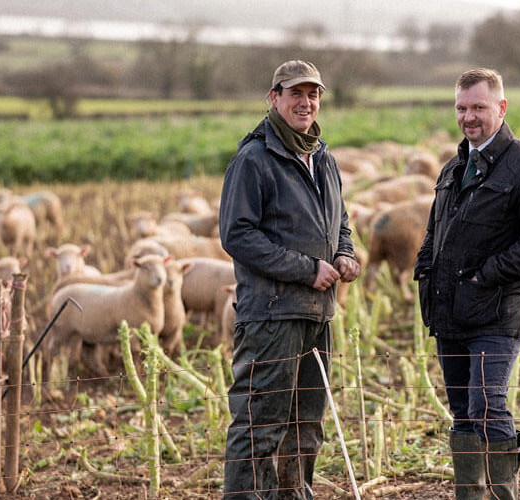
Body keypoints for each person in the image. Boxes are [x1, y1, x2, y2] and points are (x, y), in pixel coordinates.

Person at [414, 68, 520, 500]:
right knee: (462, 412)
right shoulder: (453, 167)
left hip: (496, 312)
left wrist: (487, 275)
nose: (468, 117)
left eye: (478, 107)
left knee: (487, 405)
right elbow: (434, 232)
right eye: (461, 108)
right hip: (450, 312)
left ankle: (502, 494)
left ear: (500, 108)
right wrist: (426, 269)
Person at [218, 59, 360, 499]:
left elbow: (340, 221)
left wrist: (344, 253)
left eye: (313, 93)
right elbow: (237, 234)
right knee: (260, 425)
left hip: (317, 314)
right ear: (274, 98)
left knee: (305, 428)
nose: (306, 102)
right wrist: (306, 269)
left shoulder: (323, 158)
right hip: (272, 316)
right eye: (295, 93)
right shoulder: (255, 159)